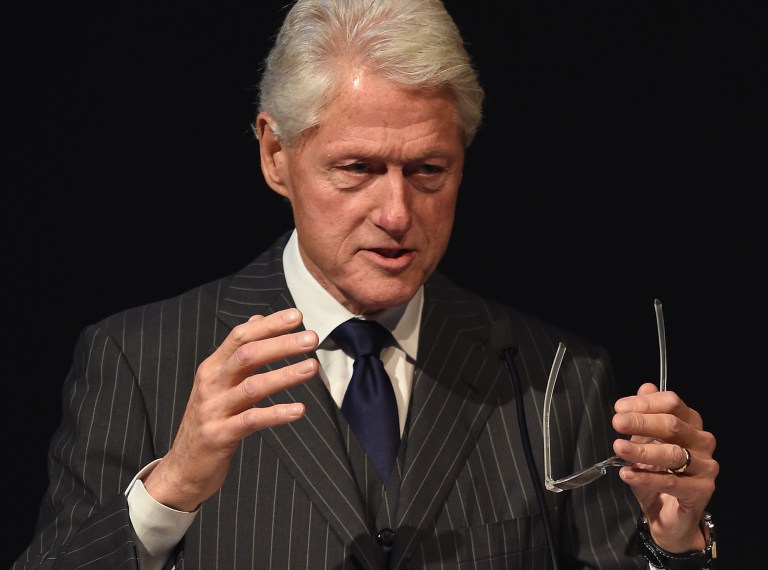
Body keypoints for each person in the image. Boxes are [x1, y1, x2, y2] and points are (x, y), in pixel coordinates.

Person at [12, 0, 718, 568]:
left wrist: (675, 539)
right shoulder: (139, 362)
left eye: (428, 171)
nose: (396, 214)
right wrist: (167, 496)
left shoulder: (555, 379)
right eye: (355, 169)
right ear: (275, 154)